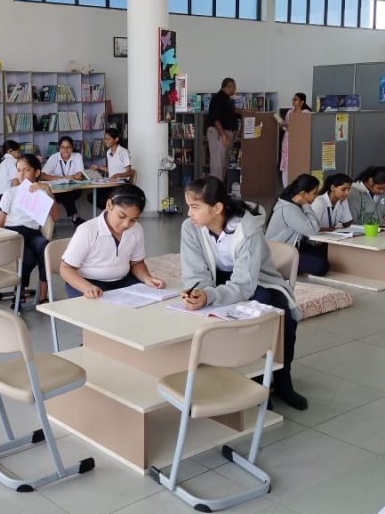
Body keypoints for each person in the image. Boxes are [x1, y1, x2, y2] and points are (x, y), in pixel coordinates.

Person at [179, 176, 308, 411]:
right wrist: (200, 293)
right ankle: (254, 380)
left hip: (257, 277)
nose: (189, 213)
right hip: (217, 279)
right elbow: (195, 271)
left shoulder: (248, 230)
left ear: (217, 208)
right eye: (189, 206)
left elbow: (245, 284)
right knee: (250, 306)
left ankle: (282, 380)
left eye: (195, 207)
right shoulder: (190, 228)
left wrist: (210, 296)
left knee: (281, 312)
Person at [60, 184, 166, 298]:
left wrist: (147, 278)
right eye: (121, 216)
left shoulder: (136, 230)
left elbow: (137, 263)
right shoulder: (88, 230)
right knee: (100, 307)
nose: (126, 224)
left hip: (123, 281)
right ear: (109, 205)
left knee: (149, 299)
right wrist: (87, 287)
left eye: (133, 220)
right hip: (88, 282)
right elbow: (66, 269)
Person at [0, 153, 58, 303]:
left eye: (26, 170)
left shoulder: (42, 193)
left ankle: (43, 295)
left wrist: (48, 190)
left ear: (37, 173)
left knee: (45, 246)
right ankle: (19, 289)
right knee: (28, 258)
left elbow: (55, 216)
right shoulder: (10, 193)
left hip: (32, 234)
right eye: (19, 170)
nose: (21, 174)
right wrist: (2, 241)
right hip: (13, 234)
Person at [266, 174, 329, 276]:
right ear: (303, 193)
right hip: (280, 255)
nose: (316, 197)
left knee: (324, 250)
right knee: (322, 266)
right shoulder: (289, 208)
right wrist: (306, 205)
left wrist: (312, 242)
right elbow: (313, 229)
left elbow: (302, 231)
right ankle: (289, 269)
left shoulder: (293, 205)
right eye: (314, 193)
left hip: (292, 248)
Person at [40, 135, 86, 226]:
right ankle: (75, 217)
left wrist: (67, 178)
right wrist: (60, 178)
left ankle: (72, 217)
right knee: (62, 194)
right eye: (62, 147)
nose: (65, 150)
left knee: (66, 194)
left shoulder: (77, 156)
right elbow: (42, 175)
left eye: (68, 147)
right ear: (59, 148)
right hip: (56, 191)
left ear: (72, 148)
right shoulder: (54, 157)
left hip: (74, 189)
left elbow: (80, 175)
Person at [205, 77, 240, 183]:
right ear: (228, 86)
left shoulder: (227, 99)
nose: (235, 89)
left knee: (223, 164)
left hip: (225, 133)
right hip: (219, 133)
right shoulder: (218, 98)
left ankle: (219, 189)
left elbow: (234, 111)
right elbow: (216, 119)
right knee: (217, 165)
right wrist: (223, 136)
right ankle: (214, 191)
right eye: (234, 87)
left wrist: (248, 111)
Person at [89, 128, 132, 209]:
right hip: (111, 182)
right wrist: (99, 167)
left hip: (121, 184)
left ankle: (109, 213)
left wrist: (117, 175)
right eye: (105, 139)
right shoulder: (108, 152)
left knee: (103, 198)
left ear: (116, 139)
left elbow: (129, 172)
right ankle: (108, 212)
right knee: (91, 197)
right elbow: (112, 169)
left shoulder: (123, 152)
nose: (105, 141)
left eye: (108, 139)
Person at [279, 92, 312, 187]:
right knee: (286, 163)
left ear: (302, 102)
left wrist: (290, 127)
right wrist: (282, 124)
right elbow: (285, 127)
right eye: (293, 99)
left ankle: (296, 185)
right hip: (287, 140)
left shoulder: (305, 113)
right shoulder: (289, 112)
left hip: (298, 141)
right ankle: (286, 186)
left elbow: (301, 128)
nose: (293, 101)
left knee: (296, 162)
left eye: (296, 99)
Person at [0, 140, 21, 207]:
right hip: (2, 201)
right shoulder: (11, 161)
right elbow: (16, 184)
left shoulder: (1, 160)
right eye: (18, 152)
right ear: (10, 151)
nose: (19, 155)